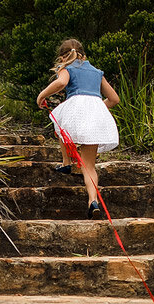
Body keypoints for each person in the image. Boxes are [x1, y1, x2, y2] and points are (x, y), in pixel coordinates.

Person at [36, 39, 120, 219]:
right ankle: (93, 201)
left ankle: (66, 163)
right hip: (96, 112)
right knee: (89, 166)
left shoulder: (67, 68)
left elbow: (61, 84)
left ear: (62, 56)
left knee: (60, 121)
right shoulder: (97, 72)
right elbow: (114, 99)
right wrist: (96, 107)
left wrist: (41, 96)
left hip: (76, 108)